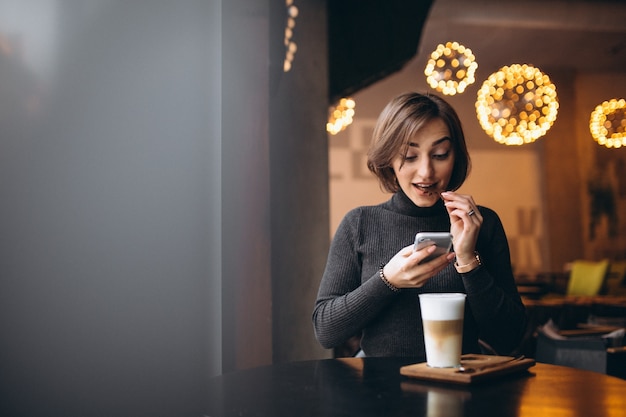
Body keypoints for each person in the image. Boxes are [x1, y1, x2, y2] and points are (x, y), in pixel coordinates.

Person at [312, 92, 528, 358]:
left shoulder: (481, 223)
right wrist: (388, 280)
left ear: (455, 156)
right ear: (389, 158)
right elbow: (325, 330)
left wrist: (468, 260)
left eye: (440, 154)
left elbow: (510, 337)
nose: (426, 172)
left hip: (461, 384)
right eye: (409, 156)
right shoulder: (359, 224)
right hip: (380, 390)